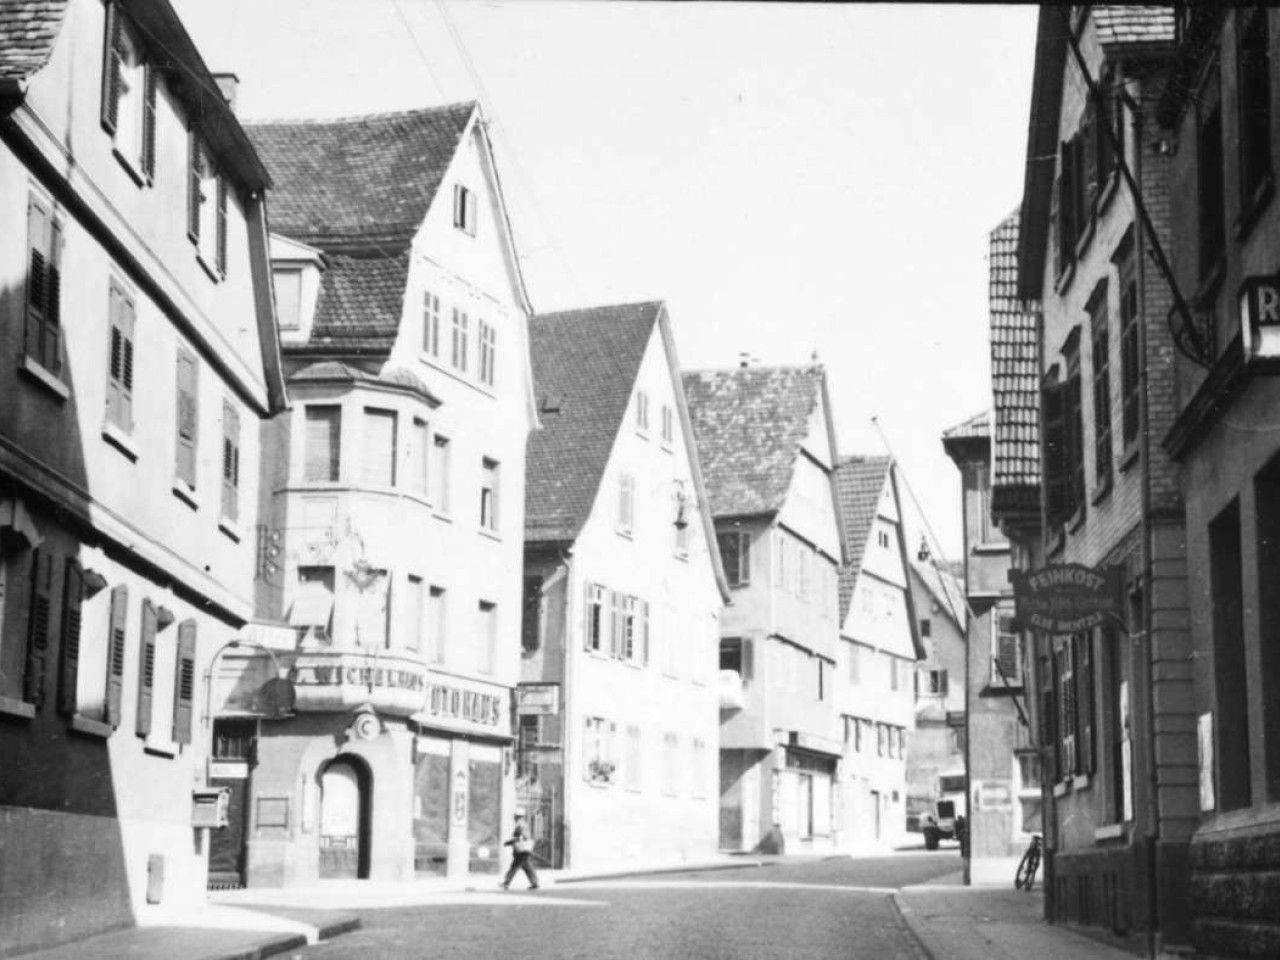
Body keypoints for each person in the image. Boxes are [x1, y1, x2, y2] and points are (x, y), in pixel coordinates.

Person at [500, 811, 539, 890]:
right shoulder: (523, 824)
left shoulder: (520, 824)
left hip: (522, 850)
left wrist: (509, 842)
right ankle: (534, 883)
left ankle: (506, 883)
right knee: (527, 867)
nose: (514, 817)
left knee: (515, 867)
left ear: (518, 816)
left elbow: (522, 837)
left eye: (515, 816)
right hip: (523, 850)